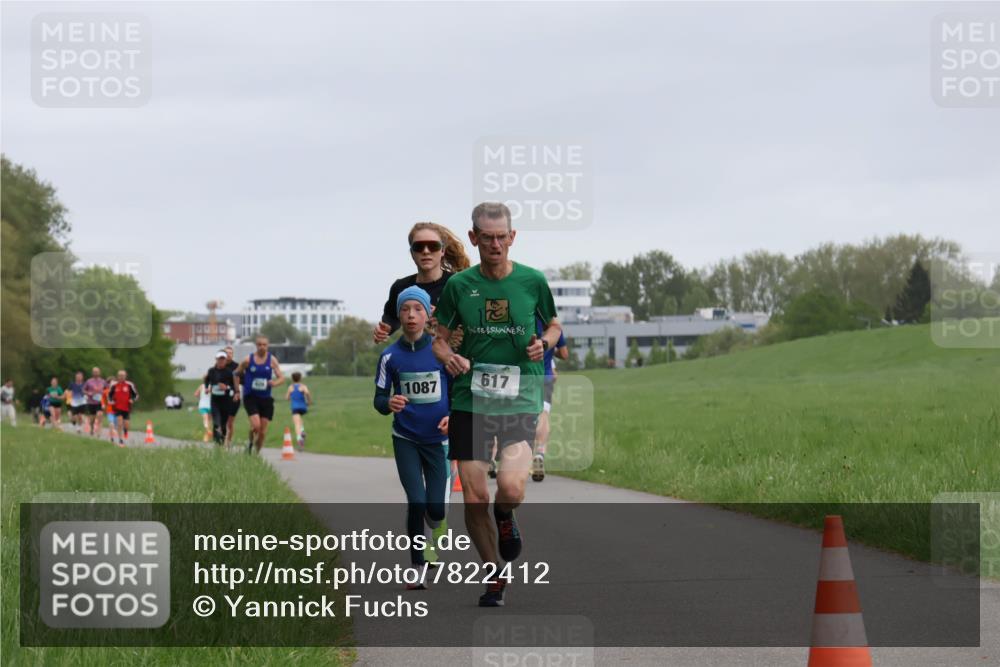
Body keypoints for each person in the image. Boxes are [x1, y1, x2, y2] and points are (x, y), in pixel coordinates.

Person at [433, 201, 561, 607]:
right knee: (474, 497)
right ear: (473, 238)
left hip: (519, 398)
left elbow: (555, 325)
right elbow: (439, 337)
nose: (494, 244)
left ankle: (506, 517)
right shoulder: (459, 287)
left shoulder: (532, 281)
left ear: (512, 237)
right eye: (486, 237)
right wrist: (448, 356)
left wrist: (547, 342)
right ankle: (494, 576)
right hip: (471, 400)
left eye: (501, 237)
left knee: (510, 487)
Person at [374, 286, 451, 587]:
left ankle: (438, 521)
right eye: (405, 309)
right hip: (405, 437)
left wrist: (453, 416)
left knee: (436, 509)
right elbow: (379, 399)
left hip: (437, 440)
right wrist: (388, 403)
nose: (410, 315)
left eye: (417, 309)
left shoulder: (440, 351)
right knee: (416, 502)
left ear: (428, 314)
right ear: (399, 315)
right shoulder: (389, 356)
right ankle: (417, 566)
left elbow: (457, 391)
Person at [373, 222, 471, 344]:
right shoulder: (401, 287)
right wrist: (385, 329)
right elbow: (391, 317)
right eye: (418, 247)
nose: (425, 251)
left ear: (442, 250)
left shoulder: (460, 284)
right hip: (418, 358)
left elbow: (475, 323)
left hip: (453, 358)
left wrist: (442, 316)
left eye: (433, 246)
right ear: (412, 253)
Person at [532, 316, 568, 482]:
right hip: (545, 376)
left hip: (525, 376)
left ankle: (494, 456)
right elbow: (565, 354)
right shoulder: (555, 328)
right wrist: (552, 351)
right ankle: (540, 452)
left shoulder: (528, 322)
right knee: (544, 414)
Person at [234, 335, 285, 454]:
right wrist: (237, 390)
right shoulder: (248, 360)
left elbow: (281, 378)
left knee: (262, 432)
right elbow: (236, 373)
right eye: (260, 344)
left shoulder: (272, 360)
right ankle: (250, 443)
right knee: (256, 426)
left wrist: (274, 383)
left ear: (268, 346)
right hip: (250, 396)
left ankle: (256, 454)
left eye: (264, 345)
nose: (262, 347)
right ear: (256, 346)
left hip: (266, 399)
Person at [205, 350, 237, 446]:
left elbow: (234, 386)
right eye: (219, 359)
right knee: (216, 423)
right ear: (216, 359)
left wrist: (226, 387)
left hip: (226, 401)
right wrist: (207, 388)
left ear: (225, 360)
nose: (221, 361)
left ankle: (221, 442)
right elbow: (207, 380)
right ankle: (217, 442)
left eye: (223, 359)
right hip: (215, 401)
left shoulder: (229, 372)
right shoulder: (211, 371)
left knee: (223, 425)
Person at [108, 370, 139, 447]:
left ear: (125, 376)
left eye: (123, 375)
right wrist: (111, 401)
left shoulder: (129, 385)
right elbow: (109, 395)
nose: (121, 377)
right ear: (118, 376)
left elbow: (136, 395)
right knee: (119, 423)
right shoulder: (114, 385)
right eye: (120, 375)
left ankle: (125, 431)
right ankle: (120, 439)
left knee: (126, 424)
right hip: (117, 407)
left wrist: (132, 399)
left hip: (127, 408)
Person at [285, 372, 312, 451]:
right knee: (299, 419)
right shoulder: (303, 386)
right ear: (300, 378)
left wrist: (291, 398)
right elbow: (307, 393)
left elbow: (287, 397)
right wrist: (309, 401)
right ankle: (302, 431)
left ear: (292, 379)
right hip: (303, 407)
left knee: (296, 424)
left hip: (295, 407)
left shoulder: (291, 387)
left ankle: (299, 440)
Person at [222, 346, 241, 448]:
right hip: (221, 398)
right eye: (227, 352)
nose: (229, 354)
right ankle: (221, 441)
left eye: (230, 353)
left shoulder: (237, 366)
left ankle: (227, 443)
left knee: (229, 422)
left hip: (233, 397)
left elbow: (243, 380)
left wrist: (238, 392)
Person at [83, 367, 107, 437]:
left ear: (99, 372)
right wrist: (88, 393)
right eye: (94, 372)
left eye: (97, 372)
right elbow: (83, 390)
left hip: (100, 402)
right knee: (92, 418)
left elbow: (107, 389)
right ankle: (92, 428)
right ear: (92, 373)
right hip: (91, 402)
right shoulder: (88, 381)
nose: (96, 373)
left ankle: (99, 432)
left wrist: (105, 394)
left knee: (100, 415)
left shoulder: (103, 381)